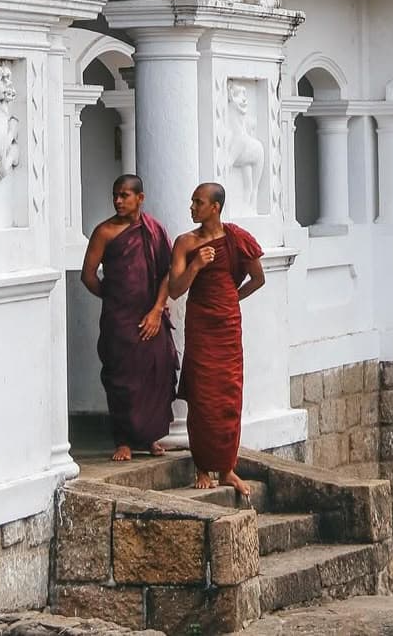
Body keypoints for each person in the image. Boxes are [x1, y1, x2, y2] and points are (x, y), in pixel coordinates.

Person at [168, 181, 265, 498]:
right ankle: (202, 467)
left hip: (227, 323)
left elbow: (258, 278)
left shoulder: (236, 239)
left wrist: (232, 299)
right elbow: (175, 289)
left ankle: (226, 469)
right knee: (203, 393)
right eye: (192, 201)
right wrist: (196, 265)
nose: (192, 207)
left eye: (198, 202)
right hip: (200, 322)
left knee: (228, 393)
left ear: (215, 207)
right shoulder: (186, 243)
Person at [80, 174, 178, 462]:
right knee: (121, 377)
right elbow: (88, 276)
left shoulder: (154, 230)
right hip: (119, 319)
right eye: (115, 195)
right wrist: (114, 298)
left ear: (140, 198)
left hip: (152, 315)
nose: (118, 201)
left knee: (155, 374)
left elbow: (167, 273)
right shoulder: (105, 232)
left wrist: (156, 309)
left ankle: (150, 438)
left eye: (125, 195)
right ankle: (123, 439)